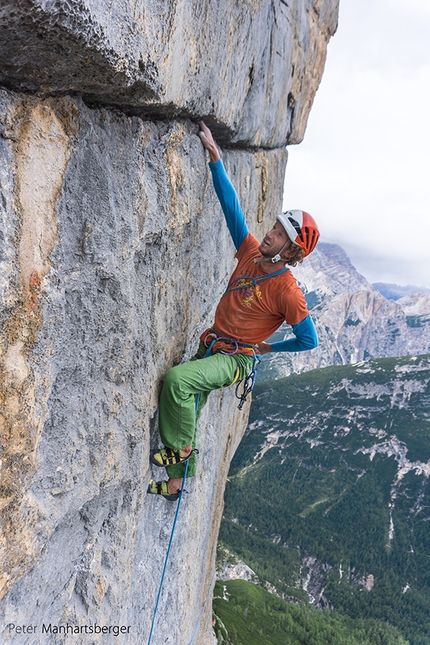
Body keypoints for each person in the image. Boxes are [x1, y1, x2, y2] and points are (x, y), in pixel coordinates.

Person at [148, 122, 319, 501]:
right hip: (213, 344)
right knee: (185, 404)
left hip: (235, 358)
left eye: (281, 234)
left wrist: (271, 349)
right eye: (275, 225)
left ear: (291, 252)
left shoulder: (288, 292)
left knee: (177, 382)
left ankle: (183, 457)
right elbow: (231, 209)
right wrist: (216, 160)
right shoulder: (251, 252)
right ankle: (175, 484)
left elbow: (310, 340)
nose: (271, 232)